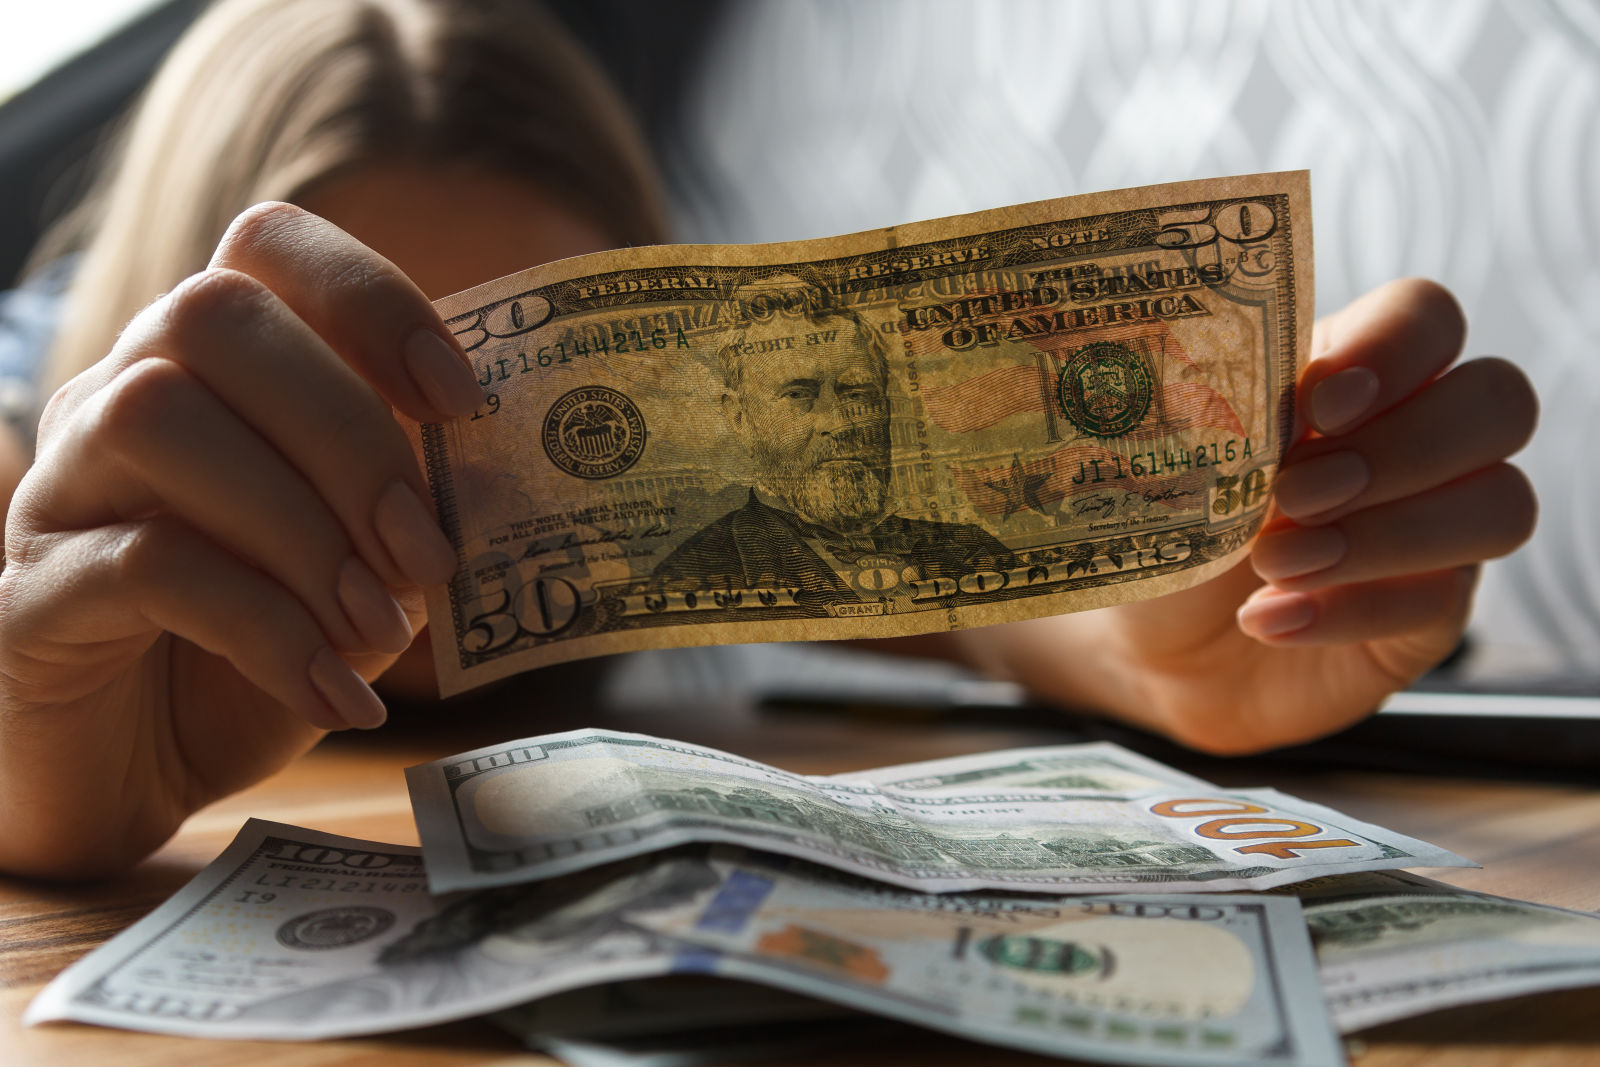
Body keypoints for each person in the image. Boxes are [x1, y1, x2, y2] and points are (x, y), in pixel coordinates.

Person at [0, 0, 1537, 879]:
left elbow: (964, 602)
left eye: (536, 440)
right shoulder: (37, 456)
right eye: (325, 416)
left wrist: (1175, 636)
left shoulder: (739, 504)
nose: (423, 534)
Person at [653, 289, 1017, 605]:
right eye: (798, 395)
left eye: (858, 394)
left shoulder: (976, 554)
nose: (840, 424)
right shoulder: (694, 575)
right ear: (739, 419)